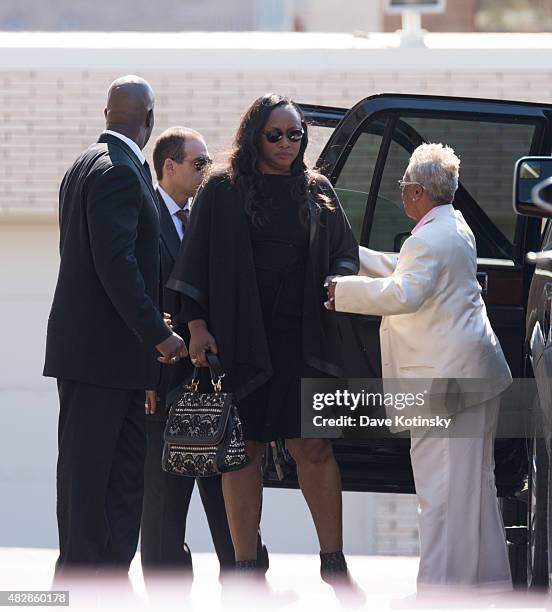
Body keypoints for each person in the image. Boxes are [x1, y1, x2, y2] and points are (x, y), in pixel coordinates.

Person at [166, 94, 359, 583]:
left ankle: (333, 563)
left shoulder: (317, 190)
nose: (287, 144)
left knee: (313, 448)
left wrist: (338, 280)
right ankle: (245, 566)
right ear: (254, 136)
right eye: (276, 134)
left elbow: (344, 253)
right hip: (240, 339)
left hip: (305, 341)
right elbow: (194, 265)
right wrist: (197, 327)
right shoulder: (221, 191)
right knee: (244, 450)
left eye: (295, 134)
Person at [327, 143, 513, 593]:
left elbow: (404, 293)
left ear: (413, 192)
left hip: (446, 382)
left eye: (402, 188)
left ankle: (439, 593)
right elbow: (406, 271)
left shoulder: (429, 237)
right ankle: (486, 585)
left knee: (441, 491)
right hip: (474, 375)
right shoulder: (452, 225)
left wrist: (339, 291)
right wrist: (356, 253)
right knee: (473, 487)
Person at [43, 76, 187, 577]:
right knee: (96, 479)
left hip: (102, 358)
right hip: (104, 358)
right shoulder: (121, 172)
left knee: (116, 477)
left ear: (108, 114)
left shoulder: (83, 165)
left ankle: (102, 580)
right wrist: (158, 333)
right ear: (148, 120)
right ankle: (84, 584)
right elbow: (116, 264)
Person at [140, 126, 237, 577]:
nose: (206, 171)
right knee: (162, 515)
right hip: (159, 388)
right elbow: (134, 301)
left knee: (230, 504)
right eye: (199, 164)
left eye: (209, 164)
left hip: (210, 386)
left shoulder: (206, 217)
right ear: (169, 167)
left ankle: (244, 586)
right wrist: (145, 375)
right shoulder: (144, 217)